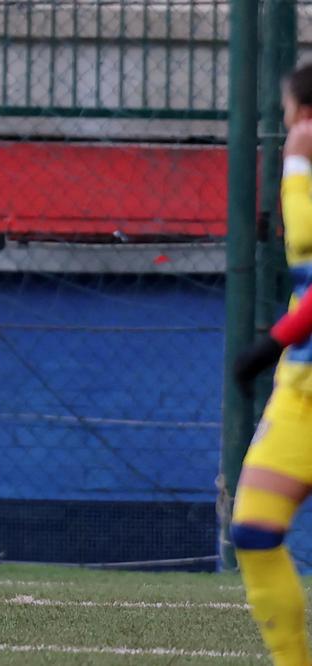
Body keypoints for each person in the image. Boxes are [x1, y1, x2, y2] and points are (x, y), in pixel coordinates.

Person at [230, 61, 312, 666]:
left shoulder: (303, 151)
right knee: (255, 529)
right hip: (304, 384)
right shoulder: (298, 162)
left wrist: (272, 341)